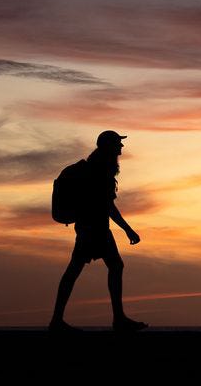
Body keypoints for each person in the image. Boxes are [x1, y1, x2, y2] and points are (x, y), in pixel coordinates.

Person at [49, 130, 148, 333]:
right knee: (105, 267)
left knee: (81, 270)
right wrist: (128, 230)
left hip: (91, 228)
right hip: (94, 229)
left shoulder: (97, 167)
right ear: (108, 146)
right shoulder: (101, 170)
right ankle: (117, 320)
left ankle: (59, 320)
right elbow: (108, 206)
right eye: (117, 143)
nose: (121, 147)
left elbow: (106, 205)